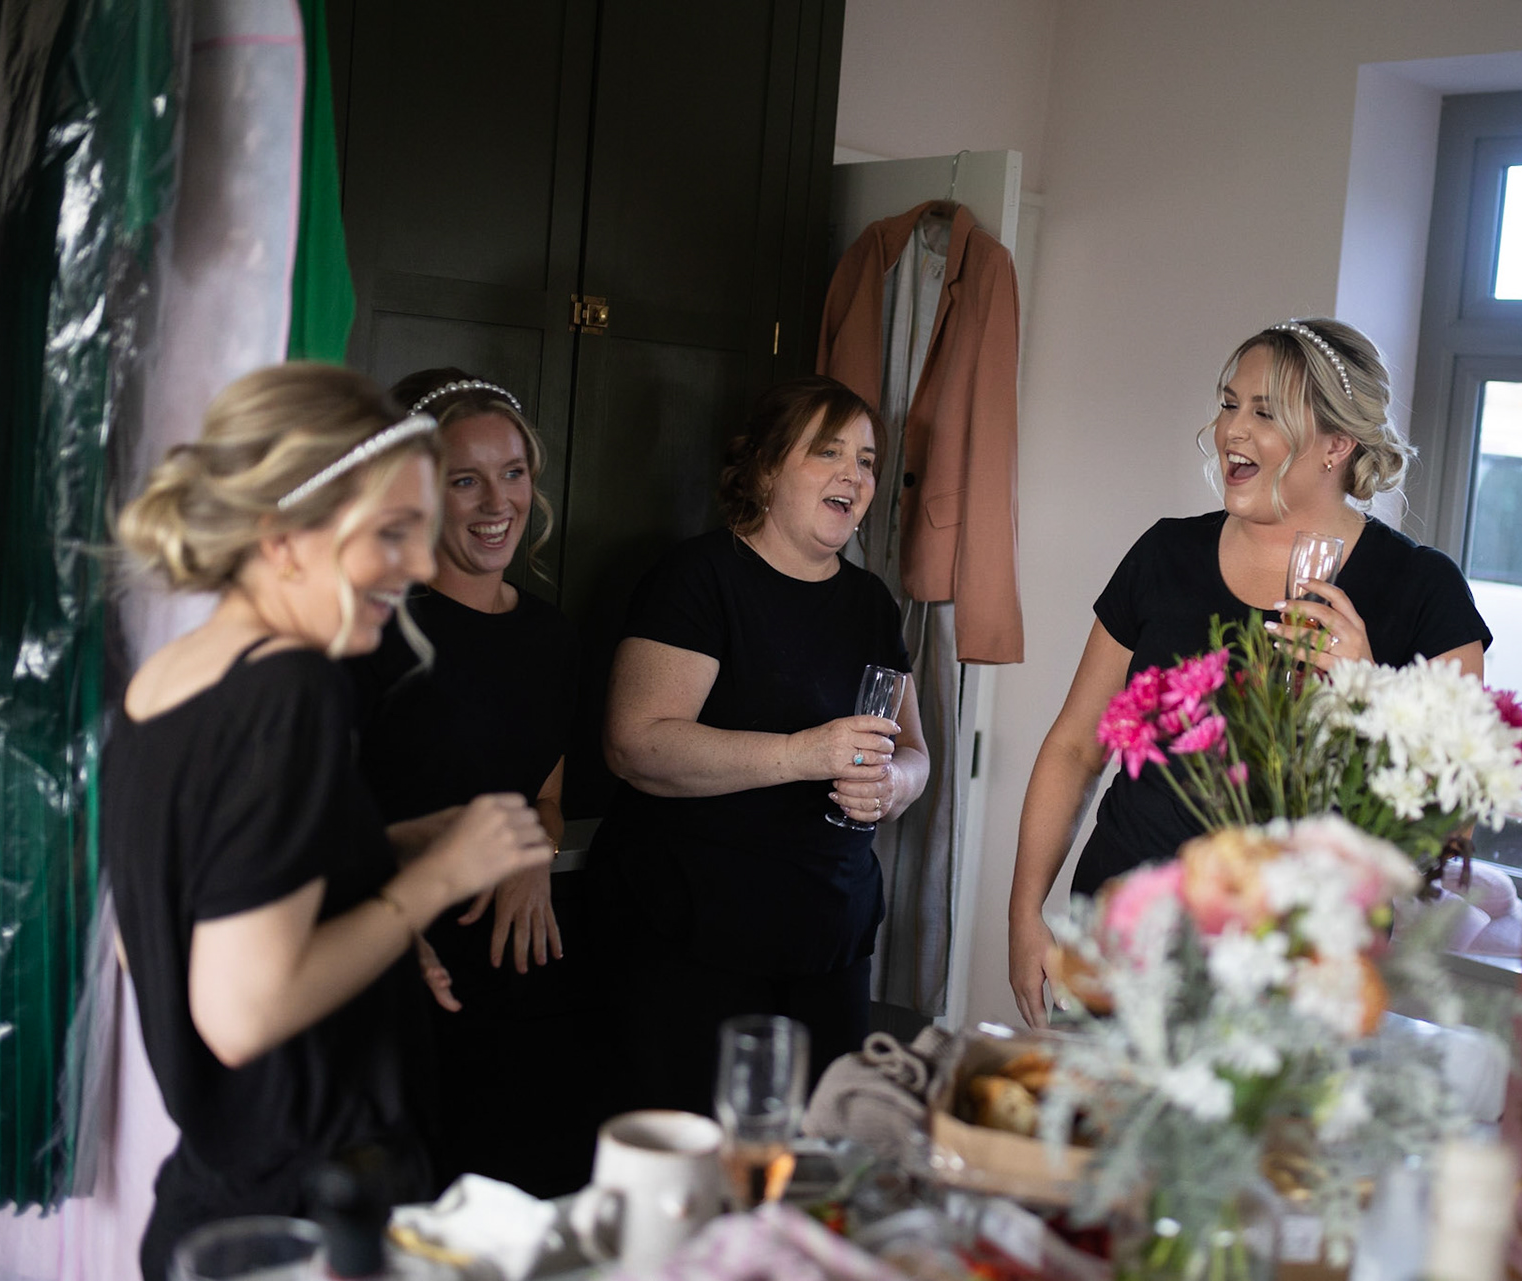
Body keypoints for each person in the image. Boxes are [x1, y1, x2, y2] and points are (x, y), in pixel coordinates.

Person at [105, 364, 553, 1279]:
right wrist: (442, 874)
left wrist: (378, 849)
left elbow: (156, 923)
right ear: (284, 539)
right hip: (318, 1210)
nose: (419, 564)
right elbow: (243, 1011)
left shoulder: (171, 677)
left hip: (225, 1196)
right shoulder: (292, 692)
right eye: (390, 533)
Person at [1006, 319, 1492, 1028]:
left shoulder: (1422, 590)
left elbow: (1455, 831)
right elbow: (1078, 745)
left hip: (1296, 981)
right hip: (1121, 949)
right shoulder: (1164, 554)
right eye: (1230, 403)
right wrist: (1025, 911)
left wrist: (1370, 694)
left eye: (1265, 413)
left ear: (1337, 443)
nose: (1231, 428)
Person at [591, 375, 931, 1114]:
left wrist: (896, 785)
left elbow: (913, 751)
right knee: (689, 1174)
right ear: (769, 467)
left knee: (809, 1171)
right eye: (829, 452)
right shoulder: (698, 579)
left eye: (868, 460)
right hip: (692, 941)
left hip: (829, 943)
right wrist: (805, 753)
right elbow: (636, 744)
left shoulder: (870, 601)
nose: (856, 474)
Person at [348, 369, 597, 1196]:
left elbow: (549, 796)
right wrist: (388, 928)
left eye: (513, 473)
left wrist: (535, 848)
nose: (498, 502)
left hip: (522, 971)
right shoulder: (377, 628)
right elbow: (321, 815)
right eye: (466, 479)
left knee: (525, 1207)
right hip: (399, 966)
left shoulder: (552, 638)